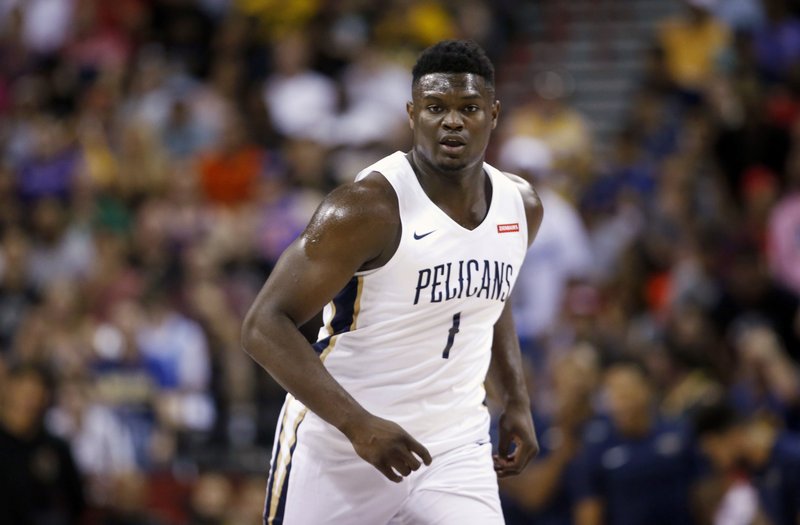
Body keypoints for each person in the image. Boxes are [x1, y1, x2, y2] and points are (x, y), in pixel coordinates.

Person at [241, 40, 543, 524]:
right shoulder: (366, 208)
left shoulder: (521, 205)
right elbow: (262, 325)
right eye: (435, 108)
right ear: (411, 114)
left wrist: (516, 400)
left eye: (468, 108)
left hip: (455, 443)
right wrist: (358, 426)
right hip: (341, 444)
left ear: (494, 113)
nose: (452, 121)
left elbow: (491, 296)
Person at [571, 359, 698, 525]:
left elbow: (699, 490)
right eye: (613, 395)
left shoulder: (678, 432)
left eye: (627, 393)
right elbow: (589, 506)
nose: (621, 403)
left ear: (646, 390)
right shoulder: (598, 446)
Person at [692, 401, 800, 525]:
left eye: (712, 452)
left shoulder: (793, 458)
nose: (713, 462)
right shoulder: (755, 470)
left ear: (732, 435)